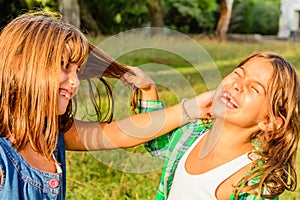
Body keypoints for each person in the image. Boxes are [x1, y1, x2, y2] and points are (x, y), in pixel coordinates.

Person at [0, 11, 213, 199]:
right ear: (20, 64)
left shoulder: (52, 134)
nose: (75, 82)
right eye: (64, 66)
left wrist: (191, 108)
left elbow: (121, 133)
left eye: (78, 71)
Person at [143, 52, 300, 199]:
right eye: (238, 74)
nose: (237, 85)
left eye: (254, 88)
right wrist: (147, 89)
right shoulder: (193, 131)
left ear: (269, 122)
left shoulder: (256, 185)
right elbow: (157, 141)